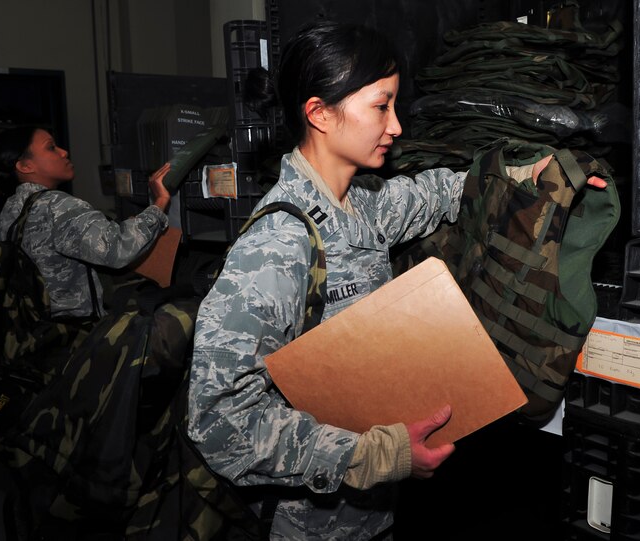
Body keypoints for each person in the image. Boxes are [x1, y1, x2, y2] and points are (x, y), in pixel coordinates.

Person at [187, 21, 464, 540]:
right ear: (319, 113)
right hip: (307, 524)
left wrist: (528, 176)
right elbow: (219, 420)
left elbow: (440, 193)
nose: (397, 126)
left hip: (369, 516)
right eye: (381, 106)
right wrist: (374, 456)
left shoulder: (364, 206)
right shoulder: (277, 247)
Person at [0, 126, 171, 319]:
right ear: (25, 166)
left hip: (34, 332)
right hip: (74, 336)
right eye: (51, 148)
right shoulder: (56, 204)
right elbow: (117, 250)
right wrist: (159, 203)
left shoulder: (10, 210)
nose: (64, 152)